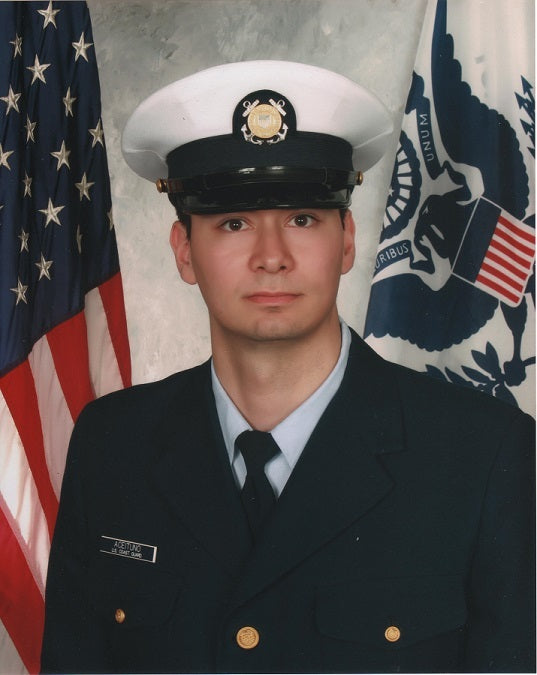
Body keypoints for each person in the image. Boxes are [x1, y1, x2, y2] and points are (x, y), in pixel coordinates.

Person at [41, 60, 534, 674]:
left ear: (347, 240)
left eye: (303, 219)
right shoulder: (113, 445)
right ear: (184, 251)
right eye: (233, 223)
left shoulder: (484, 455)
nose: (271, 257)